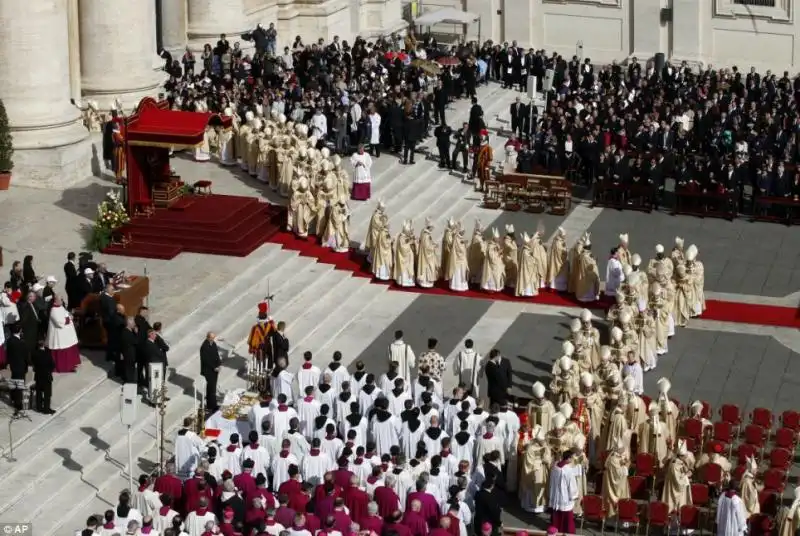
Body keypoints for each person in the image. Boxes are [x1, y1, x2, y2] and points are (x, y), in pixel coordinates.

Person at [46, 296, 81, 373]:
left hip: (66, 334)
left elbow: (67, 314)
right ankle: (63, 367)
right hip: (59, 335)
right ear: (55, 301)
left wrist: (70, 316)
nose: (62, 300)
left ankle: (71, 364)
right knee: (62, 349)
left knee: (69, 347)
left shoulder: (61, 307)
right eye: (61, 299)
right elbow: (59, 322)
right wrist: (68, 318)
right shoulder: (53, 310)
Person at [548, 451, 579, 534]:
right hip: (565, 497)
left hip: (556, 495)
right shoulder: (568, 470)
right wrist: (574, 495)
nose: (572, 459)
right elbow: (571, 485)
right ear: (568, 458)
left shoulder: (555, 467)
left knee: (557, 514)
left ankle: (555, 530)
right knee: (567, 516)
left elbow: (551, 482)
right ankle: (568, 531)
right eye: (572, 458)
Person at [6, 324, 28, 417]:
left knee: (14, 382)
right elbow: (25, 356)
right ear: (19, 331)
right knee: (19, 387)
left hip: (13, 366)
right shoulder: (21, 343)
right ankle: (18, 406)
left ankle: (13, 398)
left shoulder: (9, 341)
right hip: (20, 367)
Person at [31, 338, 55, 414]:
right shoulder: (47, 353)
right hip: (47, 376)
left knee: (39, 392)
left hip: (38, 376)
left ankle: (39, 407)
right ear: (43, 344)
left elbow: (33, 363)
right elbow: (52, 365)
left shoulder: (34, 353)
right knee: (47, 394)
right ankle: (46, 409)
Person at [200, 332, 222, 413]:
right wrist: (214, 367)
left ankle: (212, 404)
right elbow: (206, 360)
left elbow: (216, 355)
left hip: (215, 369)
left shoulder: (213, 344)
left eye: (214, 338)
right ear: (208, 337)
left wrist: (219, 364)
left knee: (212, 388)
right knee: (211, 388)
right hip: (208, 370)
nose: (213, 339)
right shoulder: (204, 347)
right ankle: (212, 405)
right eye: (212, 338)